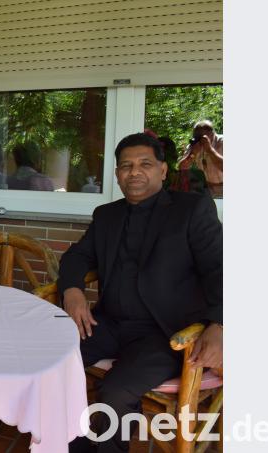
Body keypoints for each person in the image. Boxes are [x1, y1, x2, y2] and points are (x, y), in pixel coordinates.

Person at [59, 133, 222, 453]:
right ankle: (70, 444)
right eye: (126, 166)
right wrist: (73, 290)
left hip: (167, 333)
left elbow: (220, 268)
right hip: (108, 323)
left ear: (163, 170)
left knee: (116, 390)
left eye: (145, 164)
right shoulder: (107, 215)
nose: (134, 172)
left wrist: (219, 324)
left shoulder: (192, 210)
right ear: (117, 174)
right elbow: (76, 256)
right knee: (53, 363)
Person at [177, 119, 223, 197]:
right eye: (195, 136)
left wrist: (210, 150)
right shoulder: (194, 145)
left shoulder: (222, 142)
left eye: (200, 136)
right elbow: (182, 168)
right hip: (208, 188)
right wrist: (193, 154)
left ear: (211, 134)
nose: (198, 139)